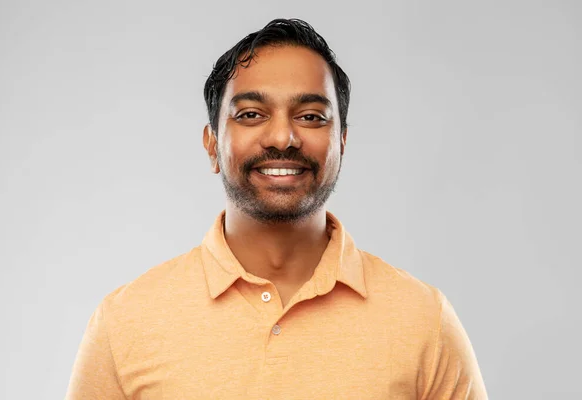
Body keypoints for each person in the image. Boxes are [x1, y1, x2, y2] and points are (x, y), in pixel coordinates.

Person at [66, 18, 488, 399]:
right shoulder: (124, 323)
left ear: (342, 144)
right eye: (251, 114)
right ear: (212, 145)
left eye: (311, 116)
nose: (283, 137)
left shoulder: (424, 320)